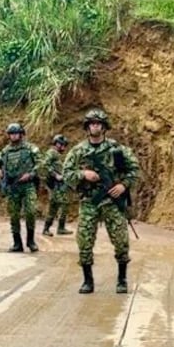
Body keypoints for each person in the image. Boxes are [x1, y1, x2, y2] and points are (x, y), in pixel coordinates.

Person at [63, 108, 141, 295]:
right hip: (89, 202)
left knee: (121, 241)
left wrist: (123, 185)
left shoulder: (117, 150)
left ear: (104, 127)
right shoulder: (78, 151)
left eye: (98, 123)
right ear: (87, 127)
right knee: (84, 241)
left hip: (112, 202)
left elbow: (134, 170)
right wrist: (83, 174)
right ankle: (87, 280)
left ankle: (122, 279)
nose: (94, 126)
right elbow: (66, 174)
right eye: (91, 123)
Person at [0, 122, 42, 253]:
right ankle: (17, 243)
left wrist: (31, 174)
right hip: (13, 186)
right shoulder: (5, 151)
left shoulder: (30, 148)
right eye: (11, 134)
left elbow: (40, 164)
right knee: (14, 215)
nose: (14, 136)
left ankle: (31, 241)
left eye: (16, 133)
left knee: (31, 212)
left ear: (21, 134)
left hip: (28, 185)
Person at [41, 134, 73, 236]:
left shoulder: (57, 155)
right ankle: (48, 229)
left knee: (63, 205)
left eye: (64, 145)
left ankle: (60, 228)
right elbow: (44, 165)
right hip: (56, 185)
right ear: (56, 144)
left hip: (61, 185)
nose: (63, 147)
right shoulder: (52, 153)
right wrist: (55, 175)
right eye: (62, 145)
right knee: (55, 206)